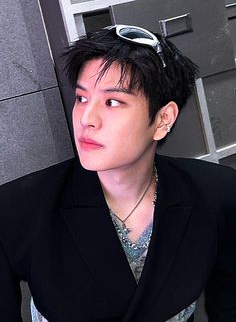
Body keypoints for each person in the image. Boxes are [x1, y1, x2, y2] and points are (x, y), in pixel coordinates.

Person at [0, 25, 236, 322]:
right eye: (82, 98)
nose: (86, 118)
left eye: (112, 102)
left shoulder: (218, 194)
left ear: (164, 119)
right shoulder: (17, 209)